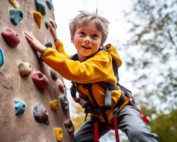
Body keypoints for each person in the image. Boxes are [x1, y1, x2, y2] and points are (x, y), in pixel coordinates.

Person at [24, 10, 158, 142]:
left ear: (101, 44)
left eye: (94, 36)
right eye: (82, 33)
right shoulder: (77, 60)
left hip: (121, 109)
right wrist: (56, 40)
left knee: (137, 133)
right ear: (72, 38)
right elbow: (65, 58)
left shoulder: (103, 59)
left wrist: (44, 50)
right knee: (78, 140)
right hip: (99, 117)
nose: (87, 40)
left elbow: (77, 71)